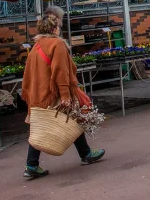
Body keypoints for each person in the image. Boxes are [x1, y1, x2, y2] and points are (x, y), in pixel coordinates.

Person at [21, 10, 105, 179]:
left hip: (38, 93)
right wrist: (66, 96)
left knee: (45, 125)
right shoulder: (57, 44)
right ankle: (84, 155)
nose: (59, 30)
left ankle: (33, 164)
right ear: (54, 29)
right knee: (70, 119)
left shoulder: (36, 47)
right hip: (53, 93)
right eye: (58, 27)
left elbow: (28, 74)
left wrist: (29, 95)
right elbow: (61, 72)